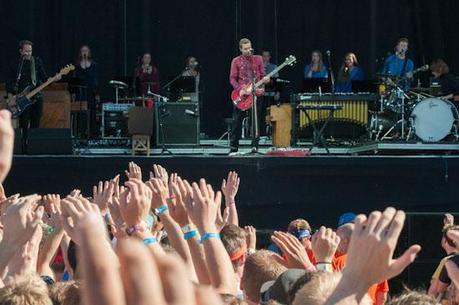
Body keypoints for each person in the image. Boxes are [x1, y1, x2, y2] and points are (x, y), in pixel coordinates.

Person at [229, 38, 270, 153]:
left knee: (256, 120)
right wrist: (240, 89)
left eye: (249, 48)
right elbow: (232, 79)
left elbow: (262, 75)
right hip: (242, 94)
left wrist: (265, 79)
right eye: (245, 49)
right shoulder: (236, 61)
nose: (248, 50)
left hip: (256, 93)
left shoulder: (258, 59)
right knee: (237, 121)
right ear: (241, 49)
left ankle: (255, 146)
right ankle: (233, 148)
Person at [6, 40, 48, 148]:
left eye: (30, 51)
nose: (28, 53)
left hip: (36, 97)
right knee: (23, 123)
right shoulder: (15, 63)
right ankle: (23, 146)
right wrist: (11, 97)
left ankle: (34, 147)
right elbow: (9, 82)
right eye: (26, 51)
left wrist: (55, 78)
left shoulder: (37, 61)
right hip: (22, 98)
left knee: (35, 123)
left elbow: (44, 78)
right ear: (21, 51)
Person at [73, 45, 100, 138]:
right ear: (80, 53)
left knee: (91, 112)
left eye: (86, 51)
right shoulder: (77, 65)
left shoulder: (93, 65)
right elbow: (76, 79)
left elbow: (95, 79)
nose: (84, 52)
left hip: (90, 91)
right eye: (83, 51)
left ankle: (92, 133)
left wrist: (96, 92)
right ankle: (81, 132)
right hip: (80, 91)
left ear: (89, 53)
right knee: (81, 112)